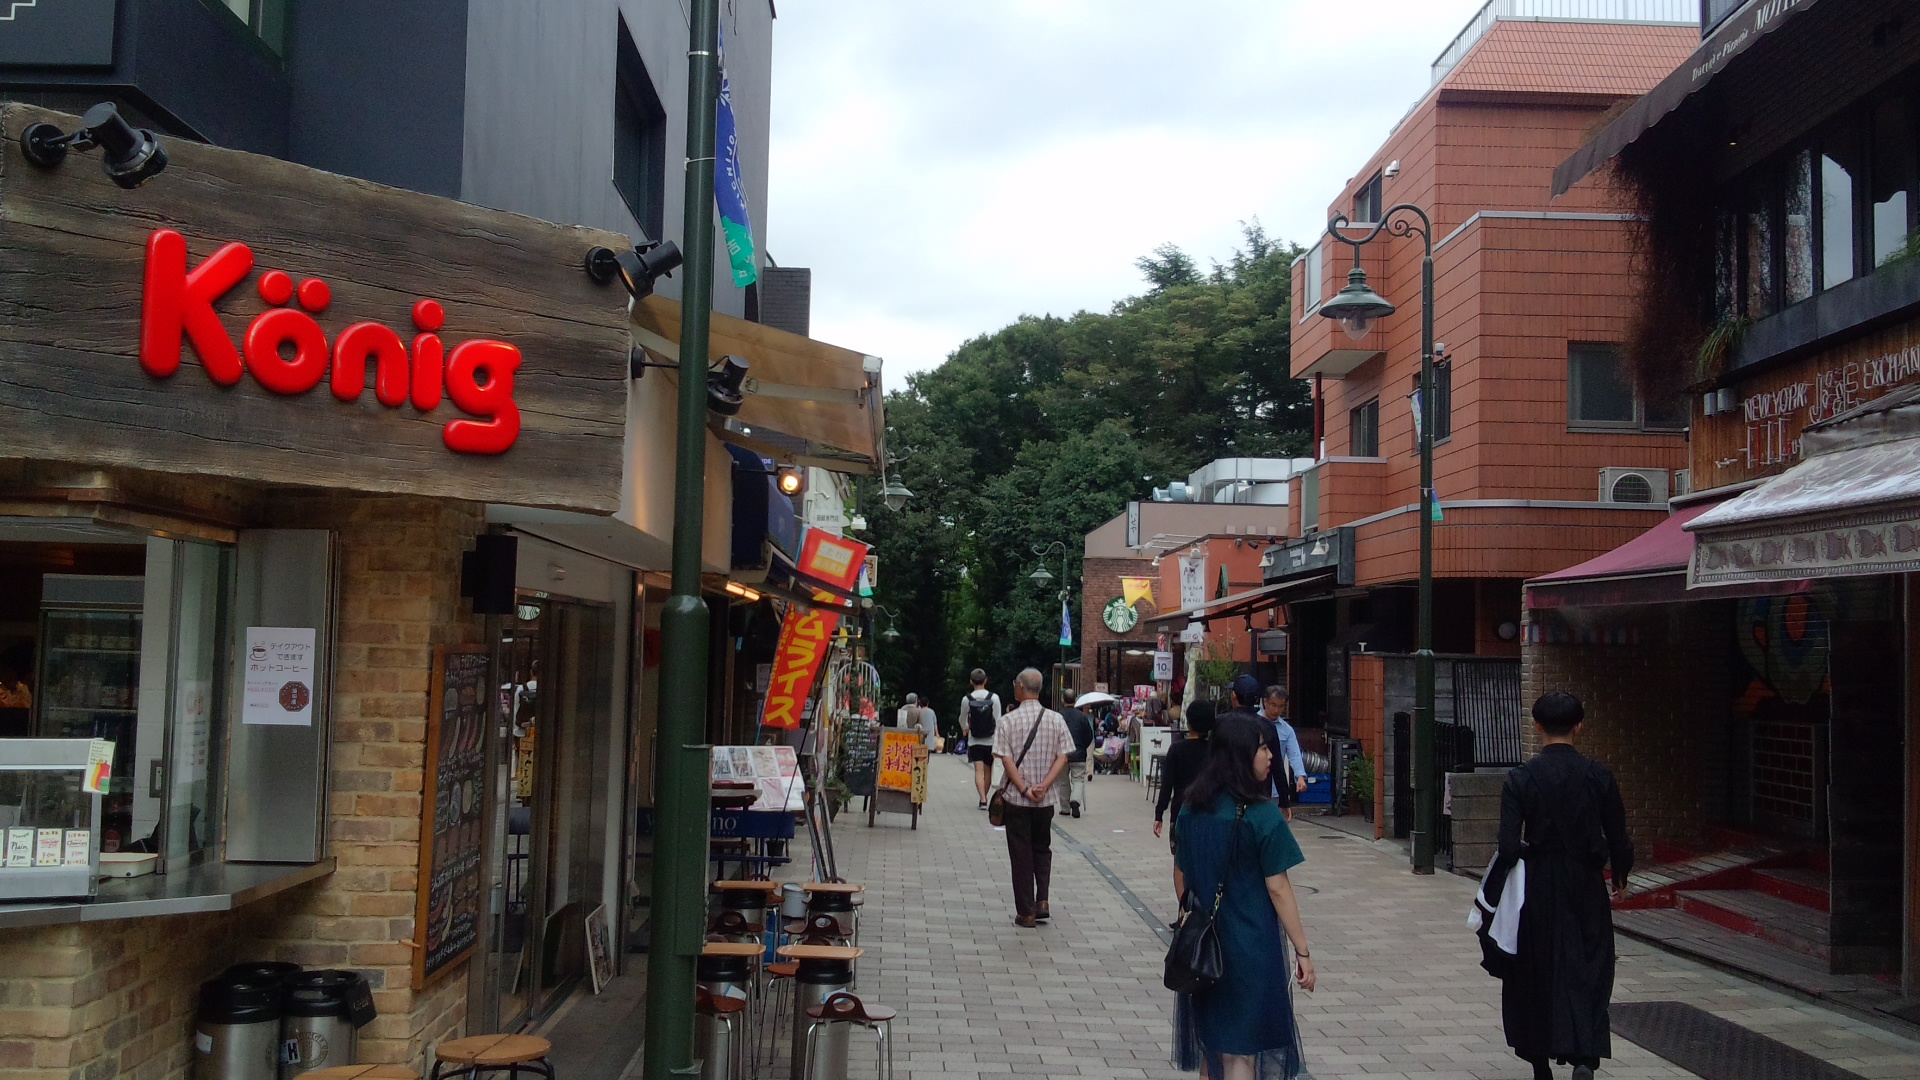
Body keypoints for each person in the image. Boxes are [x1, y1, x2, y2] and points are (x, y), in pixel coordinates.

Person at [1482, 692, 1633, 1080]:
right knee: (1589, 968)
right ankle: (1585, 1057)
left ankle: (1540, 1064)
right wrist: (1620, 877)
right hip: (1586, 885)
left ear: (1537, 726)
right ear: (1579, 726)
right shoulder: (1599, 776)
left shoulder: (1520, 778)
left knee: (1533, 971)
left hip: (1537, 887)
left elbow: (1508, 846)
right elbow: (1619, 837)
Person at [1172, 714, 1315, 1079]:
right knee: (1241, 1054)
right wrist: (1302, 951)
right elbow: (1278, 887)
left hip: (1204, 950)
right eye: (1263, 748)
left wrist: (1196, 922)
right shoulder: (1262, 815)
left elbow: (1181, 875)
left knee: (1212, 1049)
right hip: (1250, 946)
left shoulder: (1191, 808)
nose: (1270, 756)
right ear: (1240, 754)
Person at [993, 668, 1072, 927]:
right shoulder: (1056, 719)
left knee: (1021, 854)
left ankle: (1026, 912)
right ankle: (1042, 901)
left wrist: (1025, 789)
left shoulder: (1008, 721)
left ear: (1020, 687)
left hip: (1017, 800)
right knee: (1042, 848)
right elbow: (1063, 756)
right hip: (1045, 800)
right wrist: (1044, 786)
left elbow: (1006, 760)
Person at [1155, 699, 1215, 916]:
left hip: (1181, 812)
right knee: (1207, 860)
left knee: (1180, 862)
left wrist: (1159, 814)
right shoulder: (1216, 751)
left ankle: (1184, 912)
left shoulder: (1177, 749)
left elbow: (1167, 785)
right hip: (1211, 812)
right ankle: (1206, 909)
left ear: (1188, 723)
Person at [1261, 686, 1308, 822]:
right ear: (1265, 702)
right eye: (1273, 705)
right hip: (1253, 785)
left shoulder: (1287, 730)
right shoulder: (1252, 723)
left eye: (1281, 706)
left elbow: (1294, 754)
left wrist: (1300, 777)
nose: (1276, 710)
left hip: (1275, 786)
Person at [960, 669, 1003, 810]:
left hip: (975, 740)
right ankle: (984, 797)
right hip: (991, 740)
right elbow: (998, 719)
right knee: (988, 770)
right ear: (985, 680)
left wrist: (966, 728)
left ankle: (983, 799)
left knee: (978, 771)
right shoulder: (994, 698)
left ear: (971, 681)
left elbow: (962, 718)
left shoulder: (967, 699)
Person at [1056, 701, 1095, 817]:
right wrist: (1083, 747)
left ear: (1063, 700)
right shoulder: (1082, 716)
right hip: (1079, 754)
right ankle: (1075, 800)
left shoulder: (1058, 716)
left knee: (1063, 782)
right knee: (1078, 780)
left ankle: (1065, 808)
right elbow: (1089, 735)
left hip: (1062, 754)